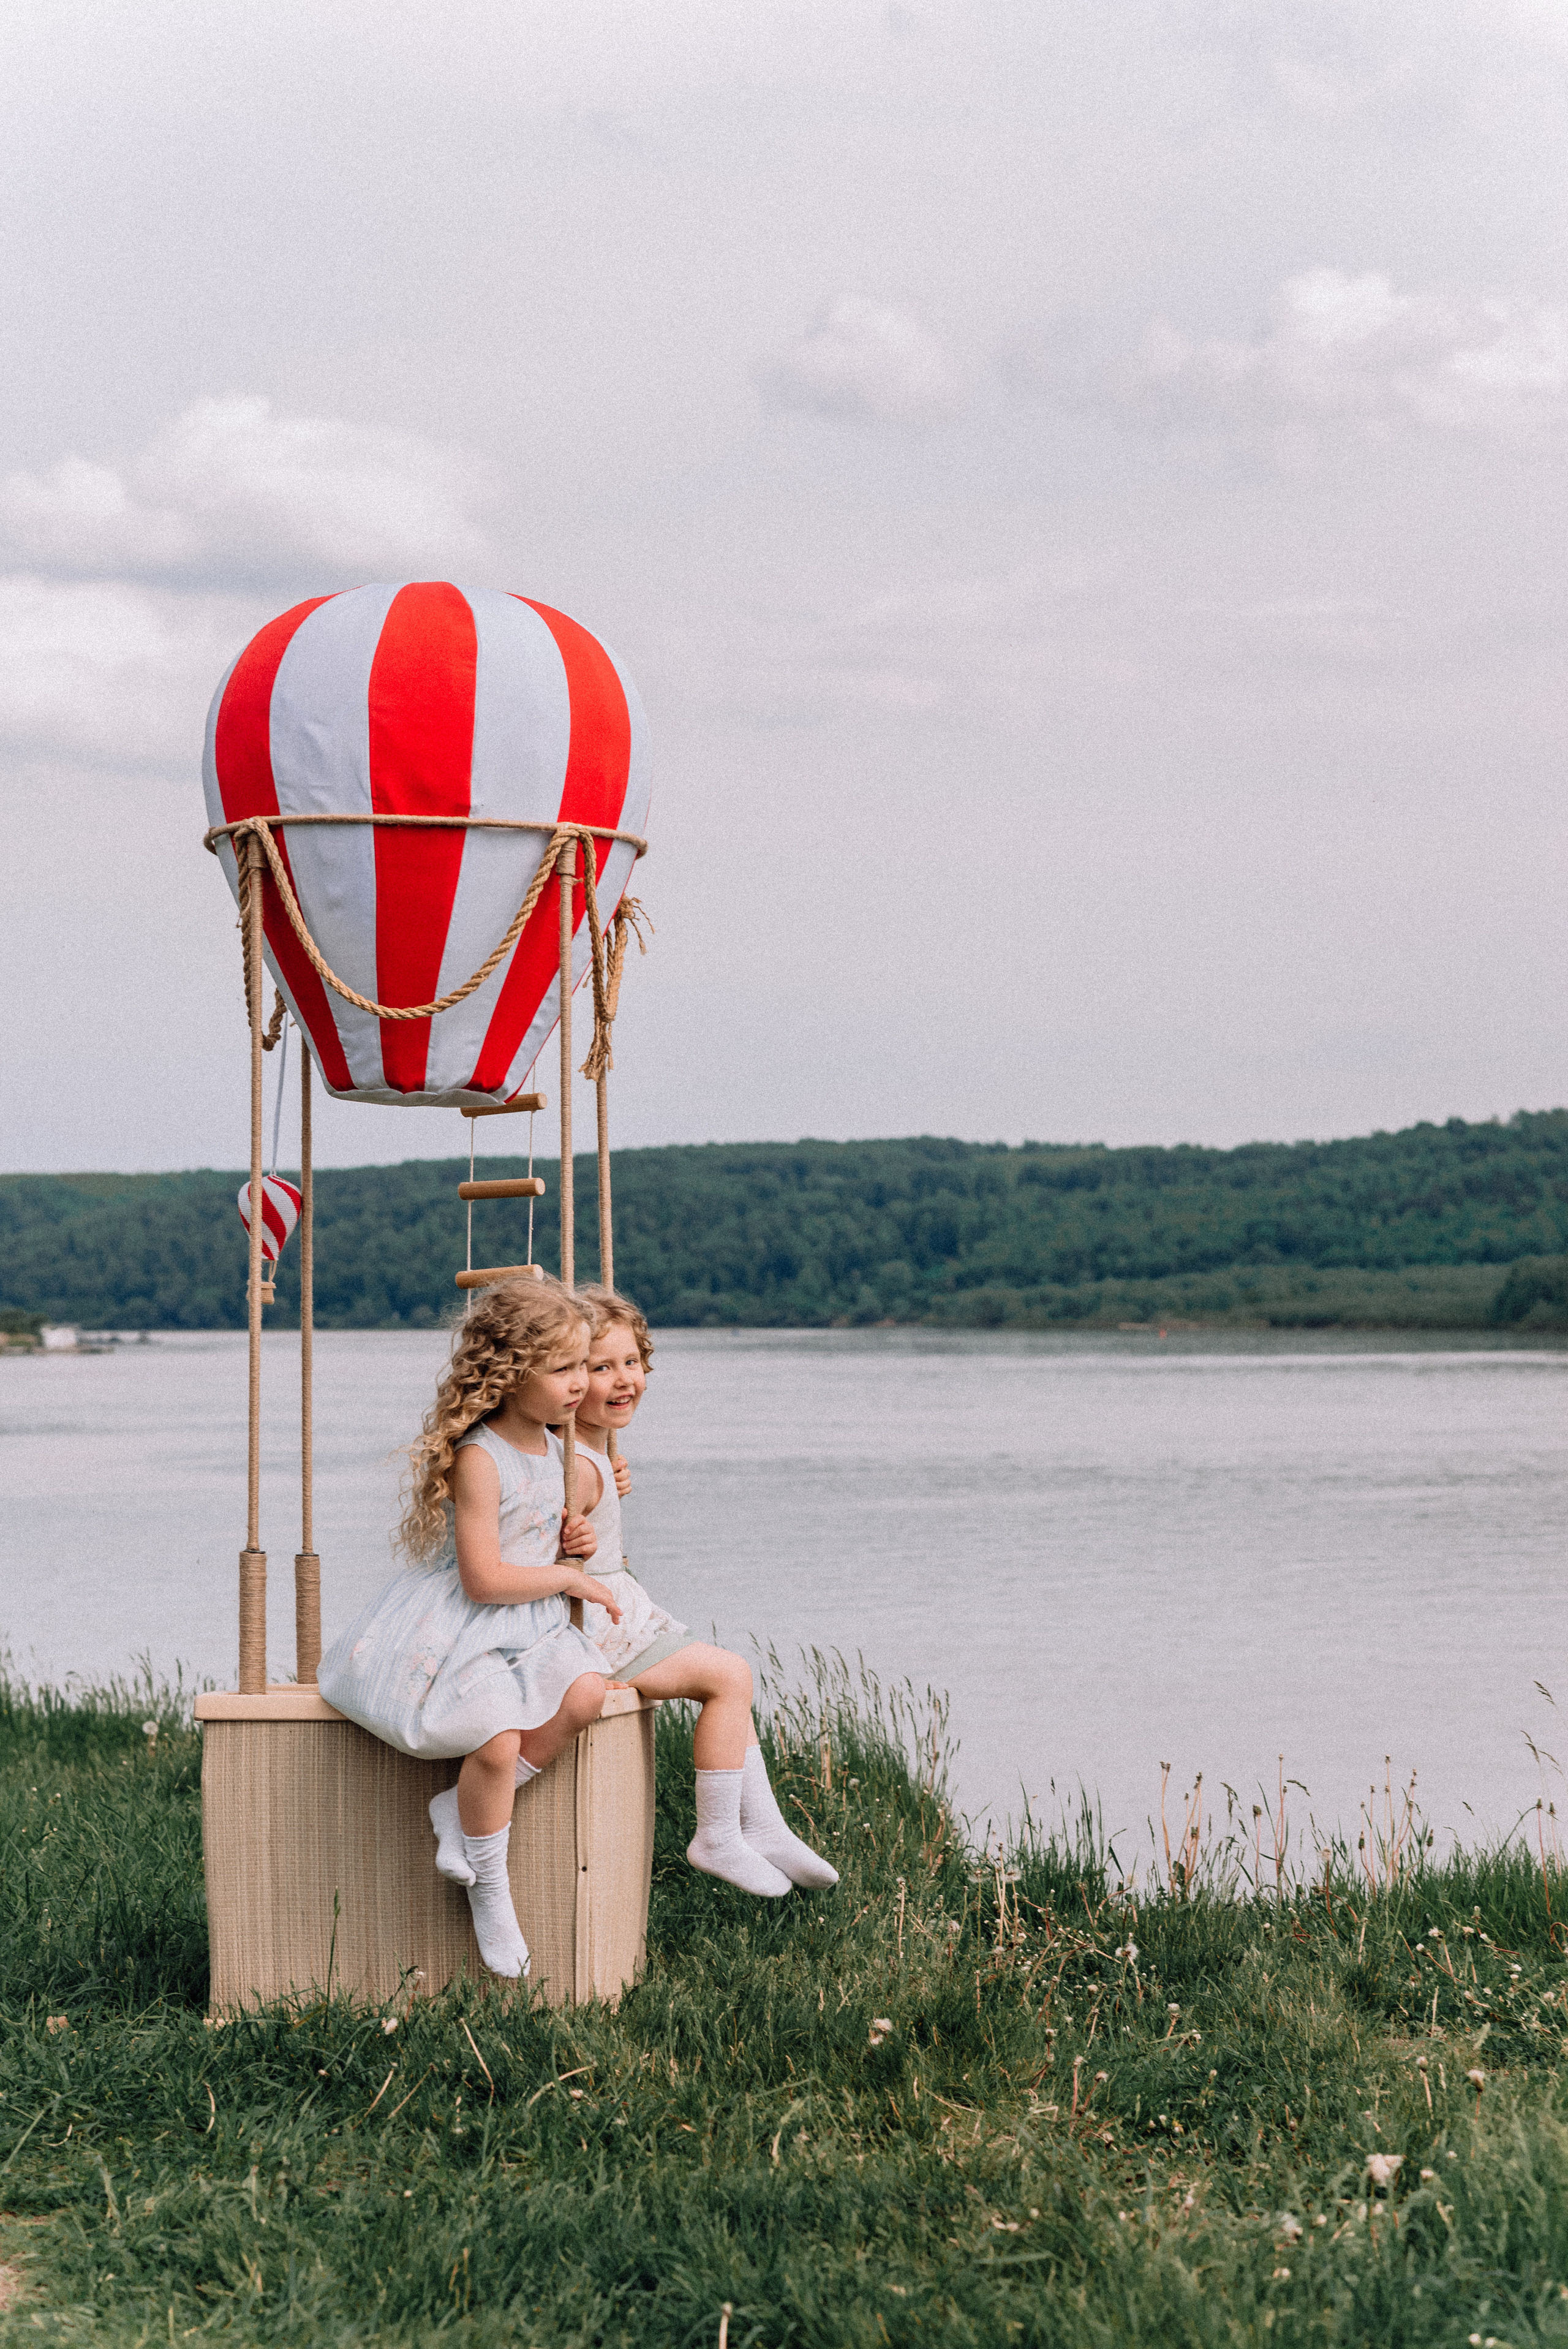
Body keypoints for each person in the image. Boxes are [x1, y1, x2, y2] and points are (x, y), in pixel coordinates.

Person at [317, 1279, 618, 1978]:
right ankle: (490, 1884)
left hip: (531, 1622)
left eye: (584, 1366)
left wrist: (572, 1540)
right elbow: (484, 1578)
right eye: (564, 1368)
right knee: (494, 1732)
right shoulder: (482, 1457)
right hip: (466, 1621)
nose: (581, 1384)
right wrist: (571, 1578)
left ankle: (460, 1808)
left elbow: (548, 1531)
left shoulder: (558, 1448)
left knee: (585, 1695)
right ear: (510, 1373)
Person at [568, 1282, 838, 1898]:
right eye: (599, 1367)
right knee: (728, 1677)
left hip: (612, 1610)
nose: (622, 1379)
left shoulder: (593, 1453)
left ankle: (763, 1827)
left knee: (731, 1680)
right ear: (566, 1378)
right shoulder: (575, 1466)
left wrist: (610, 1470)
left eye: (631, 1362)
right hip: (593, 1623)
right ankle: (718, 1834)